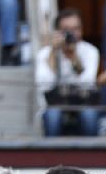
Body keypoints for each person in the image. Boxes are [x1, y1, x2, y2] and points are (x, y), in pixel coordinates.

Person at [35, 9, 101, 137]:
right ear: (57, 32)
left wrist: (73, 56)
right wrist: (53, 53)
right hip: (54, 105)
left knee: (90, 116)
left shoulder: (90, 51)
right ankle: (52, 157)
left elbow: (87, 83)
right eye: (66, 30)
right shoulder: (45, 53)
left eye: (76, 29)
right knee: (53, 116)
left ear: (81, 30)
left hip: (83, 103)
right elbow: (45, 85)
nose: (72, 34)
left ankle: (91, 157)